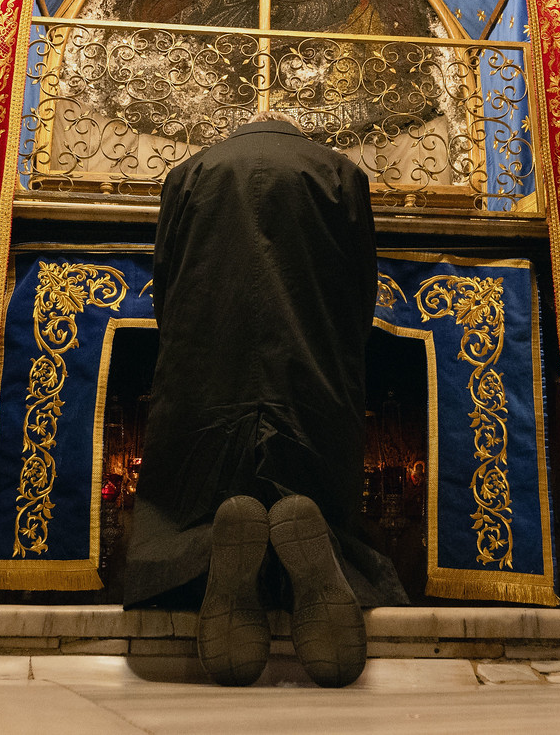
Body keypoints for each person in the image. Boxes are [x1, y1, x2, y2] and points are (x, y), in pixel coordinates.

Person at [124, 108, 405, 687]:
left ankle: (212, 576)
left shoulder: (189, 172)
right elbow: (361, 285)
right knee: (311, 481)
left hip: (207, 369)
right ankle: (317, 551)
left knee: (202, 493)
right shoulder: (341, 174)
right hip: (310, 367)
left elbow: (167, 278)